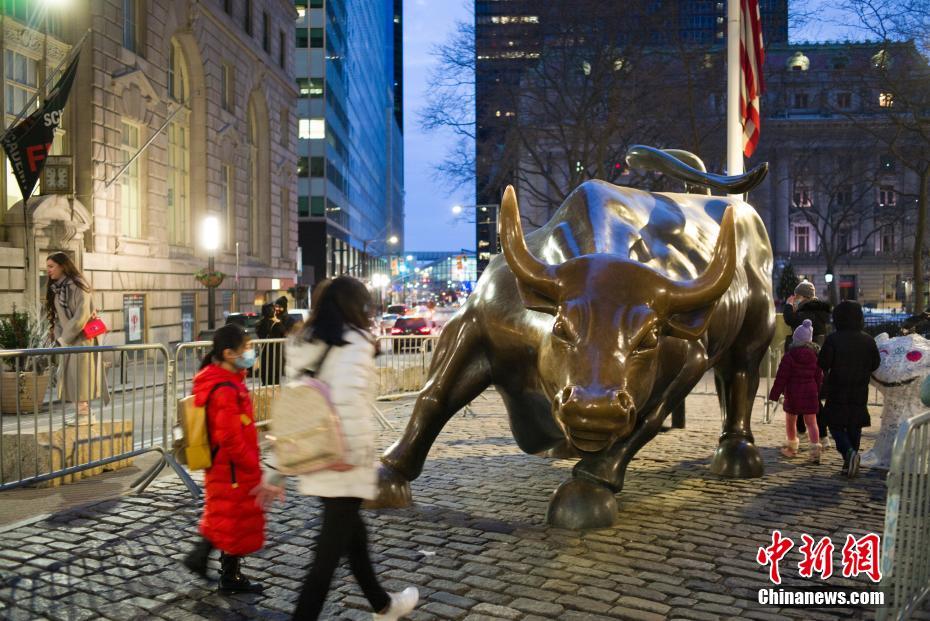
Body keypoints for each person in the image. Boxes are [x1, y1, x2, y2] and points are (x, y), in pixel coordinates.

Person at [259, 276, 418, 620]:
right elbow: (350, 405)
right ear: (355, 306)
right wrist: (359, 461)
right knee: (327, 558)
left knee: (353, 537)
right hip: (344, 460)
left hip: (314, 456)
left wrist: (274, 470)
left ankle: (384, 605)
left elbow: (292, 412)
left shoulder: (303, 342)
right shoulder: (356, 343)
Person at [183, 324, 276, 593]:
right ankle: (219, 570)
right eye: (246, 348)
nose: (251, 352)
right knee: (230, 517)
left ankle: (221, 569)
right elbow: (230, 437)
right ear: (228, 354)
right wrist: (250, 463)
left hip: (229, 465)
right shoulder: (224, 388)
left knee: (229, 516)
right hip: (232, 466)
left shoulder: (230, 380)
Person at [818, 301, 881, 478]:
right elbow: (876, 363)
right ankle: (849, 462)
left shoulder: (833, 339)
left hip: (838, 388)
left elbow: (823, 363)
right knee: (855, 424)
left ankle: (849, 453)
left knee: (835, 424)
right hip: (860, 388)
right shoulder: (868, 340)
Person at [45, 252, 109, 419]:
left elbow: (81, 316)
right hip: (69, 340)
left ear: (62, 266)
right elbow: (59, 318)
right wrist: (60, 338)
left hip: (83, 340)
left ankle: (84, 413)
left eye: (51, 266)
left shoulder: (79, 286)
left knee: (81, 378)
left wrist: (64, 339)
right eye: (47, 267)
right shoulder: (57, 289)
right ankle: (81, 412)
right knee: (72, 379)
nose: (48, 270)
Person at [782, 280, 832, 441]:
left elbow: (791, 320)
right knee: (810, 398)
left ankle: (819, 435)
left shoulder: (809, 311)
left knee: (810, 399)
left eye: (797, 296)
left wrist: (789, 306)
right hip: (815, 358)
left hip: (804, 360)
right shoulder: (818, 310)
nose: (795, 298)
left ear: (804, 296)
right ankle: (810, 432)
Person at [768, 320, 824, 463]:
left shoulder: (789, 356)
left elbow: (782, 377)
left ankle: (792, 448)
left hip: (793, 393)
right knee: (812, 422)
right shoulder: (815, 356)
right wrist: (817, 390)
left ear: (795, 339)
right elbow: (819, 376)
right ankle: (815, 451)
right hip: (810, 393)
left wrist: (774, 394)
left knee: (790, 421)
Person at [255, 303, 285, 385]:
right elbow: (283, 334)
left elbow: (259, 334)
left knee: (265, 378)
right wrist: (277, 321)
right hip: (275, 355)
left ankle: (266, 395)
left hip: (264, 354)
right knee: (275, 380)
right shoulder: (277, 324)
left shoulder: (259, 324)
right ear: (273, 312)